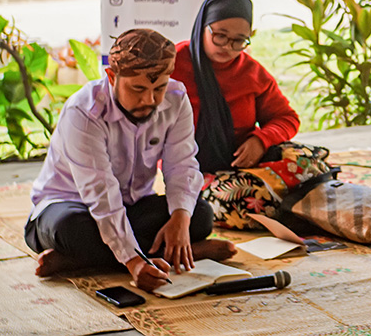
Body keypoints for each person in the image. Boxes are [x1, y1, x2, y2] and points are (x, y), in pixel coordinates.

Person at [25, 29, 235, 292]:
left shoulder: (176, 99)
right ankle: (184, 252)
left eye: (158, 88)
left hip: (133, 206)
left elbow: (182, 164)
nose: (150, 100)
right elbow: (100, 193)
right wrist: (134, 263)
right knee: (72, 230)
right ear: (112, 77)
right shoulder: (84, 111)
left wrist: (180, 219)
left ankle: (76, 261)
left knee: (199, 215)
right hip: (68, 207)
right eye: (138, 89)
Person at [172, 0, 328, 230]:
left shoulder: (252, 72)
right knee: (239, 199)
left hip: (244, 165)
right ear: (202, 26)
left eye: (239, 40)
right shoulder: (173, 65)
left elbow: (286, 118)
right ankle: (296, 207)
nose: (228, 47)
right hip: (192, 171)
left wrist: (261, 140)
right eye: (220, 36)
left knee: (308, 164)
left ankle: (292, 204)